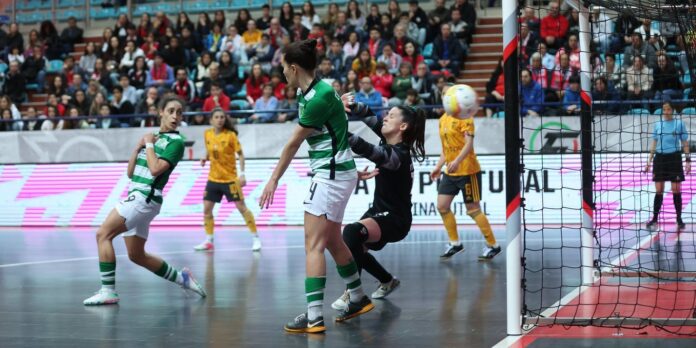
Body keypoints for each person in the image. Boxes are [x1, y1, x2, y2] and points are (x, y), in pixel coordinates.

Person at [259, 39, 373, 333]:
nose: (282, 73)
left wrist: (273, 179)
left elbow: (292, 143)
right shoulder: (309, 91)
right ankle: (358, 297)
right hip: (337, 172)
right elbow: (336, 130)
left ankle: (313, 317)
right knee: (333, 240)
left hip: (329, 175)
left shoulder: (318, 97)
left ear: (294, 68)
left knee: (313, 245)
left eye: (284, 68)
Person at [83, 96, 207, 305]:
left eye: (179, 112)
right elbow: (131, 173)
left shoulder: (176, 142)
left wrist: (148, 144)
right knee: (136, 255)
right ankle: (182, 278)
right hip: (139, 196)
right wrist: (138, 147)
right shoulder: (153, 138)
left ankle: (108, 291)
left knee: (102, 234)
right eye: (170, 111)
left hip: (144, 197)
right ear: (160, 112)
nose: (175, 116)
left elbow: (156, 169)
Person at [331, 99, 426, 311]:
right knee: (354, 246)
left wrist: (336, 127)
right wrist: (349, 104)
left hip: (395, 219)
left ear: (402, 127)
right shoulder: (390, 141)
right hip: (380, 211)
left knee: (352, 233)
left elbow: (366, 148)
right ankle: (387, 280)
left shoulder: (398, 155)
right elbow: (369, 116)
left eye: (391, 116)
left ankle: (353, 294)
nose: (385, 118)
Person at [430, 95, 501, 260]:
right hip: (450, 172)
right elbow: (446, 149)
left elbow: (469, 145)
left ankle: (493, 245)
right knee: (442, 206)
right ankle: (455, 244)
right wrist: (438, 166)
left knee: (473, 209)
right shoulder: (443, 119)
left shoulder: (466, 118)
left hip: (468, 171)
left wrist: (456, 161)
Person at [194, 107, 262, 252]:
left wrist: (242, 174)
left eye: (222, 117)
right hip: (213, 179)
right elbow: (209, 149)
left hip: (230, 179)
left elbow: (241, 155)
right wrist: (204, 158)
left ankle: (255, 237)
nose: (220, 120)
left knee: (241, 208)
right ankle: (209, 240)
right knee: (207, 210)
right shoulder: (207, 134)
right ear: (211, 120)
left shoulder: (231, 135)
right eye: (217, 117)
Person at [645, 101, 690, 231]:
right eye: (664, 109)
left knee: (676, 189)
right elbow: (654, 143)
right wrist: (649, 161)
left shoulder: (679, 124)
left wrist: (688, 160)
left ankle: (679, 219)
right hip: (660, 159)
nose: (666, 112)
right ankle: (654, 219)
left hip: (674, 158)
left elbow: (685, 142)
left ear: (673, 110)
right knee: (659, 190)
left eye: (668, 109)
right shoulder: (657, 125)